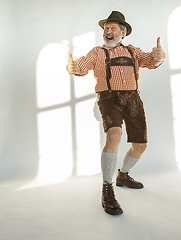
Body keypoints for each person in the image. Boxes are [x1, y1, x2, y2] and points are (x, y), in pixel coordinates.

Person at [66, 11, 166, 215]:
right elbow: (81, 66)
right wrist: (73, 67)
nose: (108, 32)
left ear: (123, 32)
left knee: (140, 145)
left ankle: (123, 175)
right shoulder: (97, 52)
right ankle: (107, 189)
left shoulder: (133, 52)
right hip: (108, 98)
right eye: (106, 28)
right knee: (114, 135)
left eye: (113, 28)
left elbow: (150, 61)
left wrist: (159, 57)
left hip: (133, 99)